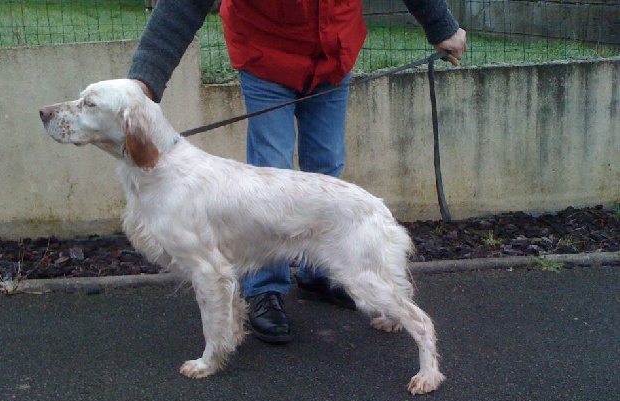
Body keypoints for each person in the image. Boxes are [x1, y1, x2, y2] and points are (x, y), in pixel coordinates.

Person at [129, 0, 467, 344]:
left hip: (333, 52)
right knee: (268, 179)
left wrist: (441, 26)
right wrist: (144, 82)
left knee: (326, 167)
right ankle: (265, 288)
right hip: (266, 53)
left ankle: (320, 272)